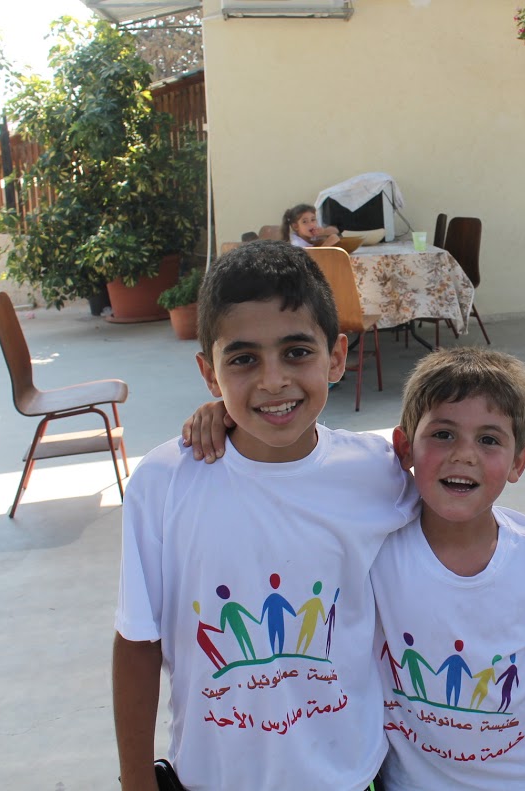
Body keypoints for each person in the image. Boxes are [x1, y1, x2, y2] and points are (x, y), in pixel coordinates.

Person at [112, 240, 418, 791]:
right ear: (210, 374)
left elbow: (458, 516)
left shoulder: (380, 472)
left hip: (351, 775)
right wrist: (136, 780)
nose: (273, 380)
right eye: (243, 359)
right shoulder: (164, 484)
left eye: (296, 352)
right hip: (213, 778)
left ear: (337, 357)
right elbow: (137, 640)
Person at [372, 348, 525, 791]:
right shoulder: (375, 549)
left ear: (519, 462)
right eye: (443, 434)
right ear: (405, 448)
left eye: (489, 440)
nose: (464, 455)